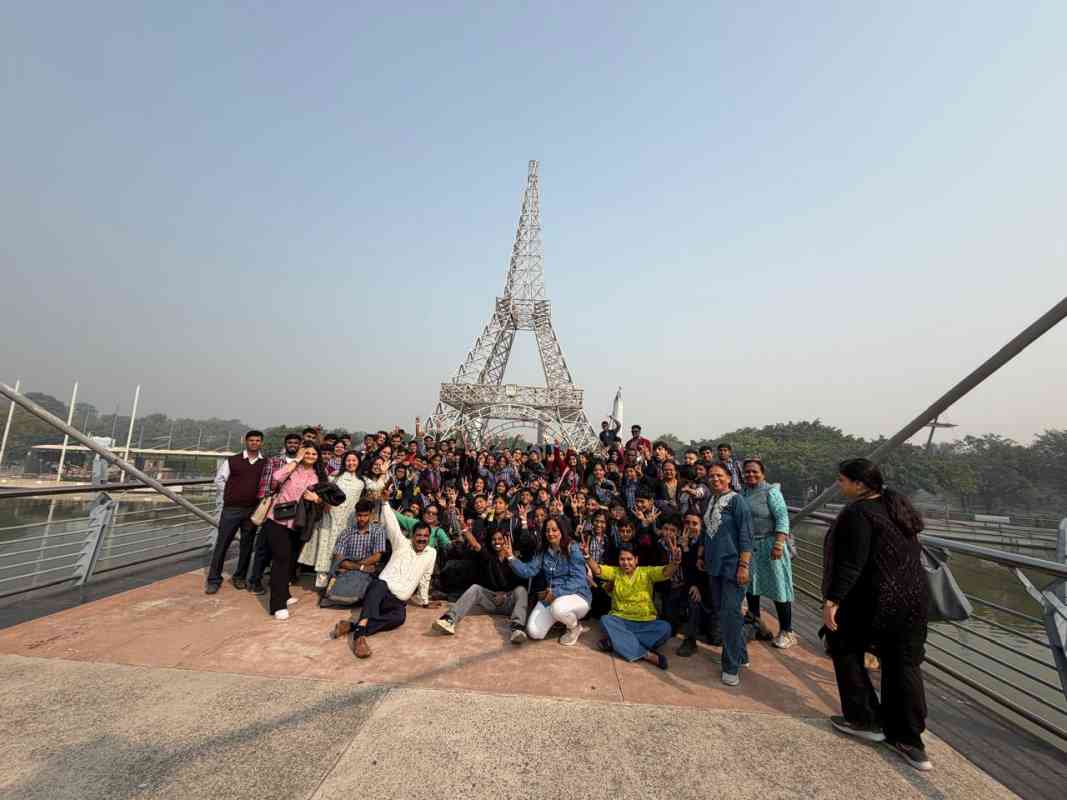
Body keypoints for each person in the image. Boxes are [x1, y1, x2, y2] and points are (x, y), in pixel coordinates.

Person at [823, 458, 932, 771]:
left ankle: (866, 719)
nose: (839, 485)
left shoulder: (858, 513)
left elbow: (851, 563)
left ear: (859, 484)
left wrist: (832, 601)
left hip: (876, 599)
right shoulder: (895, 506)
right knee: (904, 664)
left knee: (842, 645)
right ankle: (910, 740)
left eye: (842, 480)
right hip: (913, 600)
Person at [330, 503, 441, 658]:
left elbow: (425, 578)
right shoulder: (401, 544)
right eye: (419, 536)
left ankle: (351, 626)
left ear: (429, 538)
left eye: (425, 536)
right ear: (412, 536)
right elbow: (392, 524)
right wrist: (385, 503)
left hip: (397, 601)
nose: (422, 539)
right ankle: (359, 637)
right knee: (378, 584)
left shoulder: (431, 553)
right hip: (380, 591)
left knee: (399, 618)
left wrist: (425, 601)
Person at [583, 535, 680, 669]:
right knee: (605, 620)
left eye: (629, 559)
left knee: (665, 628)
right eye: (622, 559)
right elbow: (598, 570)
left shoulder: (646, 572)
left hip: (646, 622)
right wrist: (587, 556)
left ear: (636, 560)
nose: (626, 563)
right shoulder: (615, 572)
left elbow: (666, 572)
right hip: (620, 621)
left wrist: (675, 562)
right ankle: (646, 654)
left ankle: (616, 641)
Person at [702, 462, 753, 686]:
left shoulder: (737, 501)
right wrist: (701, 554)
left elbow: (746, 535)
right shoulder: (711, 500)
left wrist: (744, 566)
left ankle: (731, 666)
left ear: (729, 478)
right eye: (711, 476)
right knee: (724, 613)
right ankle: (741, 654)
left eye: (719, 475)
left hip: (733, 566)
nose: (715, 479)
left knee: (730, 615)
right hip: (714, 566)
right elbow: (706, 530)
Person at [502, 516, 591, 645]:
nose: (550, 533)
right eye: (547, 530)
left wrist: (556, 593)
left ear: (562, 531)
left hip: (578, 595)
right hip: (552, 597)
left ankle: (574, 627)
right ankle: (560, 621)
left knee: (558, 608)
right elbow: (528, 571)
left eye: (554, 530)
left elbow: (579, 579)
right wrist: (511, 557)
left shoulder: (573, 548)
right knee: (534, 632)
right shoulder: (543, 552)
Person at [261, 445, 326, 619]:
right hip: (278, 520)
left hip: (300, 523)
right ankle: (277, 605)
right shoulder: (292, 468)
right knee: (281, 559)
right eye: (307, 453)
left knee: (290, 560)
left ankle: (285, 594)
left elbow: (327, 501)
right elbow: (276, 478)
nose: (310, 456)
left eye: (314, 453)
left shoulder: (319, 475)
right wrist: (296, 460)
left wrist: (317, 498)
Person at [434, 530, 530, 643]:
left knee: (521, 590)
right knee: (476, 588)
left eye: (500, 539)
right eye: (494, 539)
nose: (497, 542)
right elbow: (475, 544)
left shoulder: (515, 560)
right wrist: (465, 529)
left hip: (509, 602)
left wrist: (505, 595)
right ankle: (450, 620)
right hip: (492, 600)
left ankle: (517, 629)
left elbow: (523, 581)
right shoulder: (489, 557)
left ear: (506, 540)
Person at [741, 458, 796, 649]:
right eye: (747, 471)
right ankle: (755, 623)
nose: (750, 474)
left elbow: (782, 517)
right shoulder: (743, 492)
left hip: (771, 544)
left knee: (779, 587)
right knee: (751, 586)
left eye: (754, 471)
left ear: (763, 473)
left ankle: (787, 631)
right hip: (751, 546)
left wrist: (779, 544)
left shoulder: (771, 492)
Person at [205, 430, 267, 594]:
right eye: (251, 440)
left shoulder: (266, 463)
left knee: (247, 545)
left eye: (257, 440)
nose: (254, 443)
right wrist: (230, 494)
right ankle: (213, 579)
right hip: (232, 509)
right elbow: (219, 480)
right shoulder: (232, 461)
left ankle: (239, 577)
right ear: (245, 442)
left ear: (261, 443)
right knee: (222, 544)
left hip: (252, 510)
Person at [247, 432, 302, 595]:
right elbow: (265, 486)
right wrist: (265, 506)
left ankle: (278, 580)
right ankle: (255, 580)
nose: (293, 445)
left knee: (287, 549)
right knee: (264, 547)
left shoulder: (303, 463)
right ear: (285, 444)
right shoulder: (275, 461)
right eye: (290, 442)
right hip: (274, 510)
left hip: (294, 512)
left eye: (296, 443)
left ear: (300, 446)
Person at [299, 450, 365, 588]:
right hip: (330, 517)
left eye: (354, 460)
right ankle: (321, 583)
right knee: (326, 547)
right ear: (344, 462)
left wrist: (383, 473)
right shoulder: (334, 477)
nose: (351, 463)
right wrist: (320, 501)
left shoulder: (361, 482)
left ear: (359, 462)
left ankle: (336, 583)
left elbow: (375, 489)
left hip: (349, 520)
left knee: (342, 550)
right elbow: (322, 492)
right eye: (348, 460)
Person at [330, 499, 387, 577]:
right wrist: (360, 567)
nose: (362, 519)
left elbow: (376, 557)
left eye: (365, 515)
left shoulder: (378, 532)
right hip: (349, 571)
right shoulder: (346, 532)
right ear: (356, 515)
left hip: (367, 572)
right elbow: (338, 558)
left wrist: (351, 566)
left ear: (371, 515)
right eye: (360, 515)